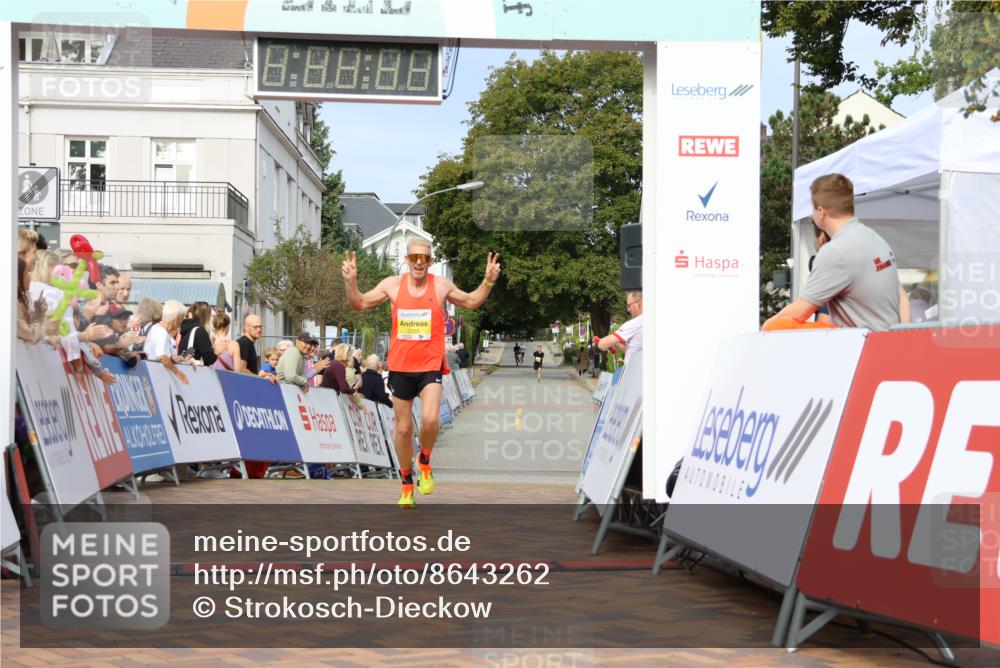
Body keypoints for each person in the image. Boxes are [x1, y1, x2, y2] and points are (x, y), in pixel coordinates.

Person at [343, 242, 500, 508]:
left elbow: (472, 301)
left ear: (430, 261)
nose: (419, 262)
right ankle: (406, 483)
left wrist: (488, 281)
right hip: (401, 367)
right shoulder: (392, 284)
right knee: (403, 430)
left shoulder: (440, 286)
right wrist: (350, 281)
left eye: (424, 258)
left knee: (430, 419)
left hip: (430, 365)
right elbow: (359, 303)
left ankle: (424, 459)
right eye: (414, 257)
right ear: (407, 259)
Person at [763, 173, 908, 331]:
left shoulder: (835, 251)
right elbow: (901, 295)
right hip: (887, 340)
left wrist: (766, 327)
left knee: (776, 326)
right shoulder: (876, 240)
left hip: (862, 344)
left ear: (821, 212)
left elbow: (798, 313)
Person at [142, 299, 190, 384]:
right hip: (156, 379)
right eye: (182, 317)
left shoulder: (159, 330)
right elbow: (161, 356)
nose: (182, 321)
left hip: (157, 377)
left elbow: (160, 355)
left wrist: (172, 358)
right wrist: (178, 373)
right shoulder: (161, 332)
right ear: (177, 318)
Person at [596, 290, 643, 365]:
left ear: (639, 304)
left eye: (629, 305)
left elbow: (601, 344)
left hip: (633, 370)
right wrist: (616, 343)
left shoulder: (635, 323)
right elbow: (631, 351)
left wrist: (605, 342)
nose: (628, 310)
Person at [234, 314, 275, 382]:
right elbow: (241, 369)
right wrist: (260, 379)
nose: (259, 330)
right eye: (255, 327)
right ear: (246, 327)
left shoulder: (248, 343)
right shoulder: (244, 343)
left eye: (260, 327)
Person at [178, 301, 217, 366]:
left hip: (183, 368)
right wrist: (217, 351)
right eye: (210, 314)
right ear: (206, 316)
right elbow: (209, 359)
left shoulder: (187, 329)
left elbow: (189, 350)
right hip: (194, 370)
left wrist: (187, 355)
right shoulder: (200, 331)